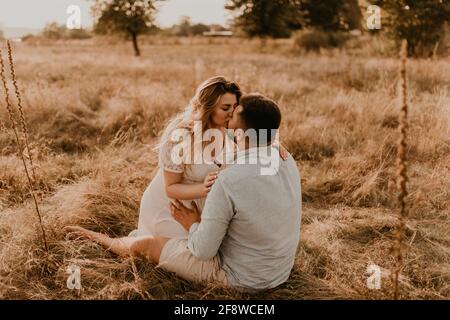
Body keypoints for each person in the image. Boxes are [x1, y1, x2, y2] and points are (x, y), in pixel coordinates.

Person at [65, 93, 301, 291]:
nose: (227, 120)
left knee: (147, 245)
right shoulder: (286, 159)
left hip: (241, 278)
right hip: (279, 271)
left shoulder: (227, 181)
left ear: (240, 132)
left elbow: (203, 250)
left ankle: (101, 239)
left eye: (233, 117)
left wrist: (193, 223)